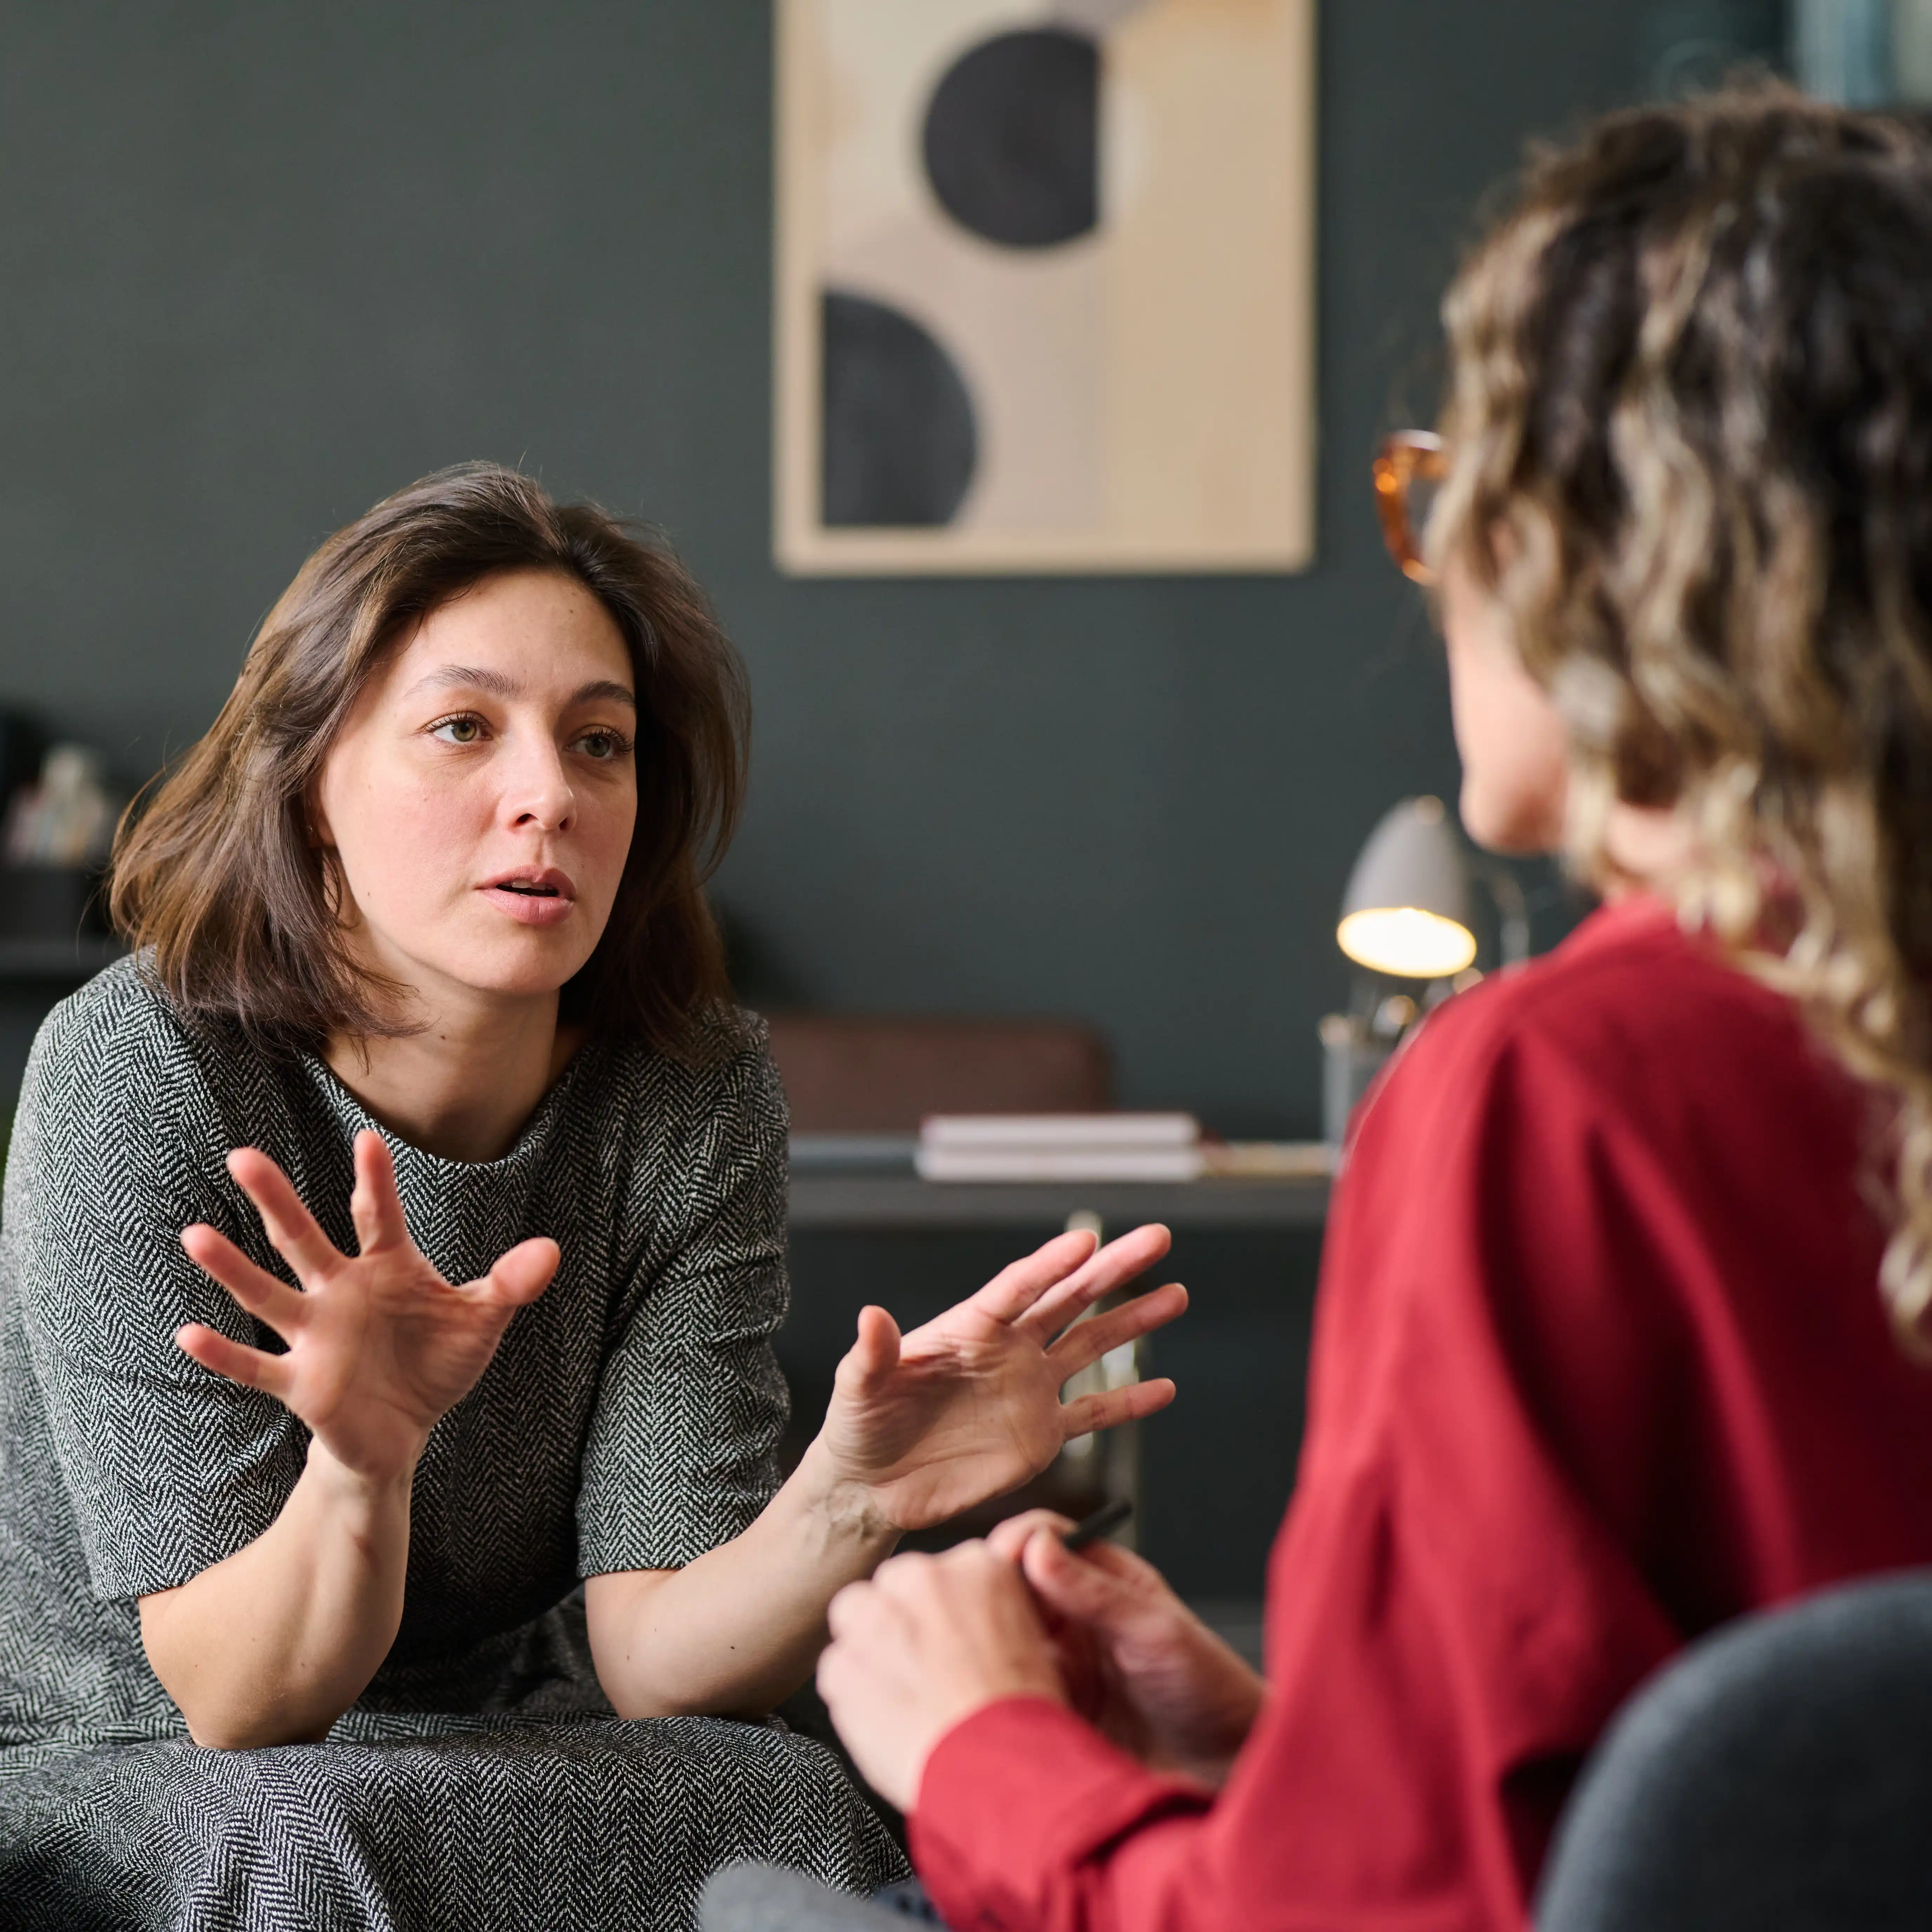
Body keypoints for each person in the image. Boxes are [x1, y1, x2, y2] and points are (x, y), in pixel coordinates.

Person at [782, 89, 1932, 1932]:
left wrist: (981, 1749)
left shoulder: (1549, 1094)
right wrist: (1294, 1745)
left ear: (1592, 553)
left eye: (1439, 490)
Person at [0, 463, 1186, 1932]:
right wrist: (361, 1464)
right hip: (147, 1740)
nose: (548, 795)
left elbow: (653, 1654)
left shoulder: (689, 1088)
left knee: (797, 1793)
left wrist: (850, 1496)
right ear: (310, 789)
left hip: (524, 1718)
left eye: (599, 742)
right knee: (303, 1829)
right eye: (461, 729)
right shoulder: (140, 1066)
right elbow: (243, 1699)